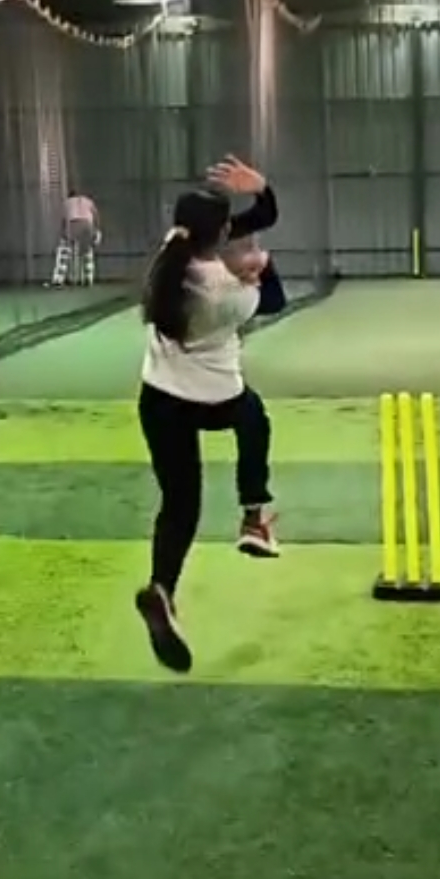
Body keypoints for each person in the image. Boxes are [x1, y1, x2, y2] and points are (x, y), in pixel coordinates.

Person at [135, 156, 286, 676]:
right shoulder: (229, 294)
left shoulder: (169, 256)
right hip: (216, 400)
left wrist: (259, 195)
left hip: (158, 401)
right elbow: (275, 300)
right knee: (255, 417)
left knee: (180, 506)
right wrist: (261, 265)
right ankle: (254, 518)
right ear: (220, 234)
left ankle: (162, 589)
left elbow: (253, 220)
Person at [51, 190, 101, 287]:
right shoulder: (88, 201)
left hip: (73, 223)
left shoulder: (67, 202)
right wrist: (97, 231)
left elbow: (63, 220)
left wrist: (63, 235)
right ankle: (88, 278)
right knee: (87, 252)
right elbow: (96, 216)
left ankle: (58, 279)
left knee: (64, 252)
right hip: (87, 224)